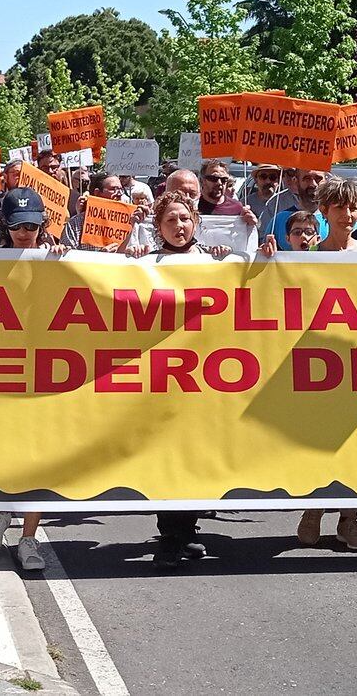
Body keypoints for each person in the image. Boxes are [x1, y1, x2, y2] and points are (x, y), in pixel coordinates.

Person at [127, 193, 234, 567]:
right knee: (167, 457)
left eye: (184, 219)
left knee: (196, 456)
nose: (178, 226)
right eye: (170, 220)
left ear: (196, 223)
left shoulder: (214, 262)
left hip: (204, 377)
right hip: (161, 378)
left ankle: (187, 529)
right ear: (158, 227)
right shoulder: (146, 265)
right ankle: (170, 535)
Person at [272, 177, 357, 550]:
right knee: (321, 444)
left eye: (352, 208)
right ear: (325, 212)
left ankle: (350, 520)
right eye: (339, 208)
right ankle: (314, 509)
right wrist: (270, 259)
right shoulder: (306, 259)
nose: (347, 215)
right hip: (317, 366)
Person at [0, 188, 72, 571]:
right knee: (3, 451)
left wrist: (67, 262)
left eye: (32, 226)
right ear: (5, 226)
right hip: (3, 371)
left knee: (38, 457)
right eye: (18, 226)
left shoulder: (57, 257)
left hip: (47, 373)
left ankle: (29, 538)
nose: (25, 233)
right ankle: (0, 511)